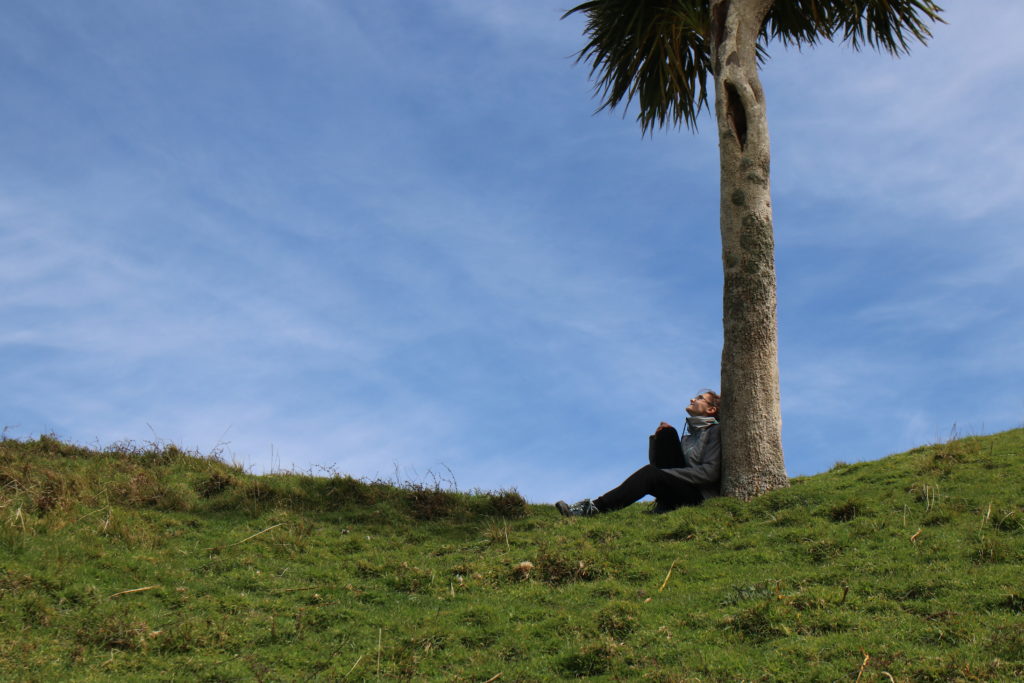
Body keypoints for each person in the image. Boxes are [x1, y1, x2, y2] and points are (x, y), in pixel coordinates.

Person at [555, 390, 721, 516]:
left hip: (698, 496)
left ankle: (594, 508)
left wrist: (664, 474)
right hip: (680, 488)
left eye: (700, 398)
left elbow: (710, 472)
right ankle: (665, 504)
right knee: (667, 433)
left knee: (650, 473)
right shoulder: (686, 438)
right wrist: (656, 440)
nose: (692, 399)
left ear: (712, 409)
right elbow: (656, 467)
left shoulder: (716, 431)